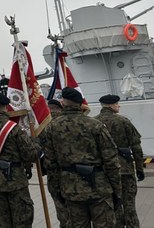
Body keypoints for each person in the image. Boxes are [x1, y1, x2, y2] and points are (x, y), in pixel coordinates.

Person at [43, 87, 121, 227]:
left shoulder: (52, 127)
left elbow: (50, 163)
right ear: (80, 104)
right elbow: (111, 160)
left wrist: (56, 190)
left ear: (63, 103)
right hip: (99, 188)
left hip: (71, 189)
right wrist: (117, 190)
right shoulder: (95, 125)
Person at [0, 93, 40, 228]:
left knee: (3, 222)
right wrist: (35, 143)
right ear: (6, 107)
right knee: (22, 221)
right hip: (16, 181)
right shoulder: (14, 128)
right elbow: (30, 154)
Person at [95, 94, 144, 228]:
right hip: (125, 171)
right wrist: (139, 168)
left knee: (113, 207)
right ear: (111, 105)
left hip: (105, 174)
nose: (119, 105)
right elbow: (136, 147)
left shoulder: (94, 123)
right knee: (129, 206)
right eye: (117, 103)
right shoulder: (124, 121)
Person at [42, 99, 68, 228]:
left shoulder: (43, 125)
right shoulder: (69, 121)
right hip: (75, 175)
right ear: (60, 108)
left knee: (60, 207)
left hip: (54, 174)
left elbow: (37, 149)